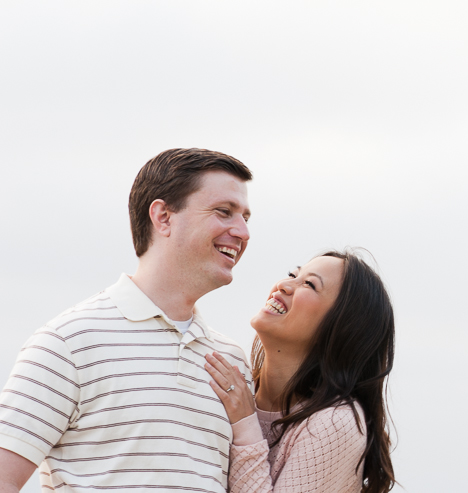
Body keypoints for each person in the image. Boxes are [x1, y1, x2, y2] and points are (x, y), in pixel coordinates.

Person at [0, 148, 253, 492]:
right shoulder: (69, 342)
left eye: (245, 219)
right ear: (163, 216)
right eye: (224, 212)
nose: (242, 232)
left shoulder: (233, 361)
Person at [204, 250, 396, 493]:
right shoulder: (232, 387)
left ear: (341, 328)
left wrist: (245, 425)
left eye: (309, 284)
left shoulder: (334, 422)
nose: (283, 285)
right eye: (292, 274)